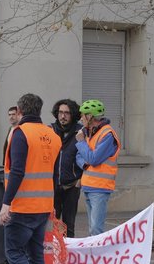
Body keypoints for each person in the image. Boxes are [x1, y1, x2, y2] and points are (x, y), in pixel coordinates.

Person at [1, 94, 59, 264]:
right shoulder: (52, 135)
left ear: (19, 110)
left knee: (14, 252)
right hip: (44, 205)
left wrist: (6, 203)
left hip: (22, 206)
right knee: (35, 255)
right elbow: (55, 173)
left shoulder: (20, 133)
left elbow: (17, 171)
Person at [75, 99, 119, 236]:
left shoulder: (107, 135)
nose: (81, 119)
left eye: (83, 115)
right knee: (92, 228)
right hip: (88, 185)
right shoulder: (88, 132)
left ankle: (98, 250)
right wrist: (84, 163)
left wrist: (81, 142)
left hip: (100, 187)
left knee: (95, 229)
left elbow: (94, 159)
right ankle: (93, 250)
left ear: (90, 116)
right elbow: (79, 155)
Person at [50, 98, 83, 238]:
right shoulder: (50, 130)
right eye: (60, 112)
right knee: (52, 224)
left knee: (69, 224)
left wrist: (80, 180)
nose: (62, 116)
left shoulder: (80, 132)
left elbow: (86, 156)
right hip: (53, 185)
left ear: (73, 114)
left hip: (72, 186)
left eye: (67, 113)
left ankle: (69, 251)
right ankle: (55, 250)